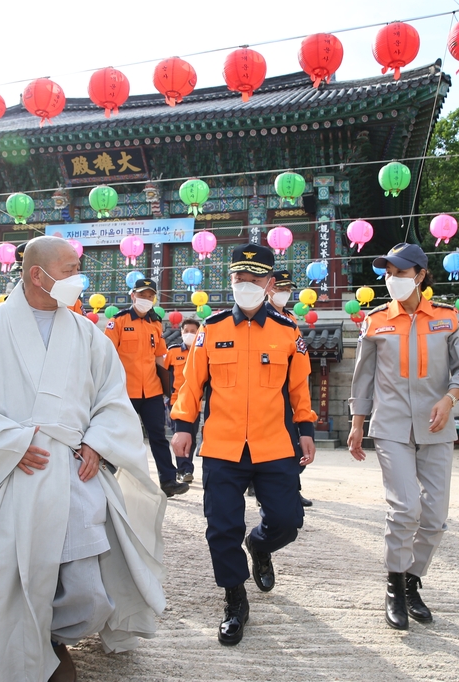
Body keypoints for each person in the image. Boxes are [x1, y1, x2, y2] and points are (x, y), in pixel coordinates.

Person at [0, 236, 166, 682]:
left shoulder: (88, 335)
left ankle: (53, 636)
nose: (78, 279)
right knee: (1, 578)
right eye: (68, 270)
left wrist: (98, 442)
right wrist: (11, 442)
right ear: (36, 275)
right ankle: (29, 644)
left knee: (87, 589)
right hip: (12, 470)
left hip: (73, 469)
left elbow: (112, 399)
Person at [171, 243, 317, 646]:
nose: (246, 285)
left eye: (254, 279)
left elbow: (299, 387)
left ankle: (260, 544)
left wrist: (305, 428)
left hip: (274, 444)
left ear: (269, 283)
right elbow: (191, 384)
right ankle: (235, 598)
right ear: (231, 280)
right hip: (222, 446)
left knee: (287, 521)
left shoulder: (289, 332)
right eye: (239, 278)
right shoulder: (211, 329)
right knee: (221, 528)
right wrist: (183, 426)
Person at [347, 243, 459, 631]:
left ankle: (411, 580)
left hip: (436, 426)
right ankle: (394, 587)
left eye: (400, 273)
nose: (392, 280)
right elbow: (363, 378)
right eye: (388, 273)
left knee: (435, 517)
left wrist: (449, 400)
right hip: (391, 427)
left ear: (419, 275)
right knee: (405, 508)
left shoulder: (448, 318)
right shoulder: (374, 321)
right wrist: (356, 423)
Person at [106, 278, 189, 497]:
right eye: (142, 295)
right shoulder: (118, 321)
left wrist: (168, 385)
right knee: (123, 437)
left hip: (151, 390)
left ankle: (168, 481)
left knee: (158, 437)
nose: (146, 299)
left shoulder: (155, 323)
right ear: (132, 295)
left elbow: (160, 356)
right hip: (126, 391)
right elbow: (106, 355)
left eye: (150, 296)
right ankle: (109, 480)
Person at [267, 269, 313, 508]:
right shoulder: (260, 317)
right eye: (280, 289)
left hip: (289, 388)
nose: (284, 294)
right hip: (269, 388)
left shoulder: (290, 319)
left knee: (294, 442)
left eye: (288, 290)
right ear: (269, 288)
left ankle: (293, 488)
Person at [166, 317, 201, 483]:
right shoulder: (172, 352)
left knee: (192, 437)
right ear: (181, 332)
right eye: (186, 331)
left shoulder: (202, 351)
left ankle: (187, 467)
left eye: (193, 332)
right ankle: (184, 469)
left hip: (195, 404)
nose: (189, 334)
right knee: (179, 435)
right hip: (176, 402)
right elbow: (162, 373)